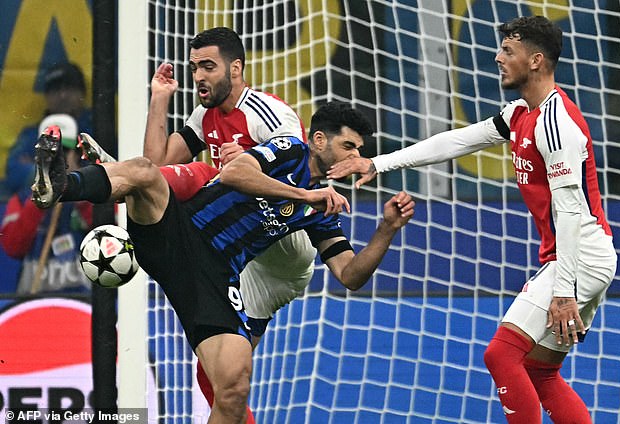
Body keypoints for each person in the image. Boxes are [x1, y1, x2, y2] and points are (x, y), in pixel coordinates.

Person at [32, 102, 415, 423]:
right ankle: (61, 186)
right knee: (145, 172)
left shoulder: (322, 210)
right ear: (318, 140)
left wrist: (386, 229)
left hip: (215, 275)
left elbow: (349, 275)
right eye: (349, 146)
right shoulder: (289, 150)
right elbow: (233, 172)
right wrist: (302, 194)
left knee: (233, 387)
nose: (356, 158)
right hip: (179, 231)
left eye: (360, 151)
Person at [328, 16, 617, 424]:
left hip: (580, 256)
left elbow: (570, 210)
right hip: (582, 257)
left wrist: (564, 290)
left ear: (535, 61)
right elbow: (458, 139)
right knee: (540, 371)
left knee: (500, 354)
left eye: (508, 51)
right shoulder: (521, 113)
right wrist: (378, 162)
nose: (498, 58)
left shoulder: (557, 124)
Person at [142, 27, 317, 407]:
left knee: (206, 177)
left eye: (208, 66)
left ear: (235, 68)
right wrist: (159, 100)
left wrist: (249, 168)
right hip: (248, 254)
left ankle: (119, 195)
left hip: (285, 240)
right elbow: (157, 165)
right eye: (194, 68)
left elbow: (298, 173)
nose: (199, 76)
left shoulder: (269, 114)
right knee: (219, 375)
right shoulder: (205, 114)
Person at [1, 114, 92, 294]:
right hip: (33, 300)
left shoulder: (92, 194)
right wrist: (40, 198)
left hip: (83, 300)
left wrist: (78, 190)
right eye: (49, 153)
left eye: (62, 152)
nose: (55, 159)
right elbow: (13, 247)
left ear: (75, 154)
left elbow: (110, 232)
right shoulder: (20, 200)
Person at [5, 62, 91, 195]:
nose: (63, 95)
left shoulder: (97, 129)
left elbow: (108, 169)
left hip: (83, 207)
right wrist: (57, 173)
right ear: (46, 96)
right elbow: (13, 172)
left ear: (82, 94)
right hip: (40, 207)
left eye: (69, 88)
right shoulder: (31, 135)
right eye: (56, 90)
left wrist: (78, 175)